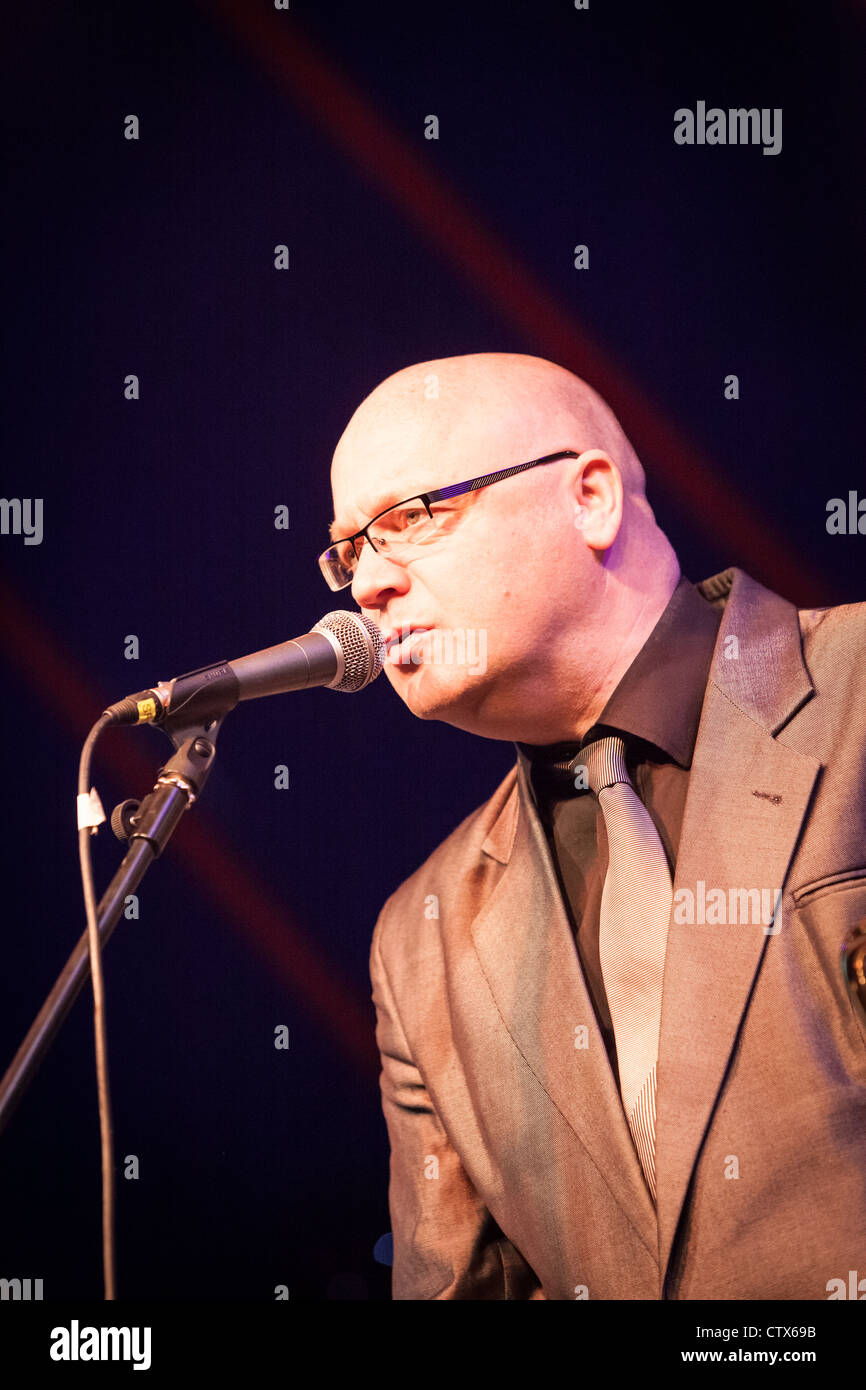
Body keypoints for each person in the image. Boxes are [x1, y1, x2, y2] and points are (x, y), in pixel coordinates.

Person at [321, 352, 866, 1299]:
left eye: (407, 520)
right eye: (347, 549)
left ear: (591, 498)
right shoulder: (420, 940)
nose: (366, 584)